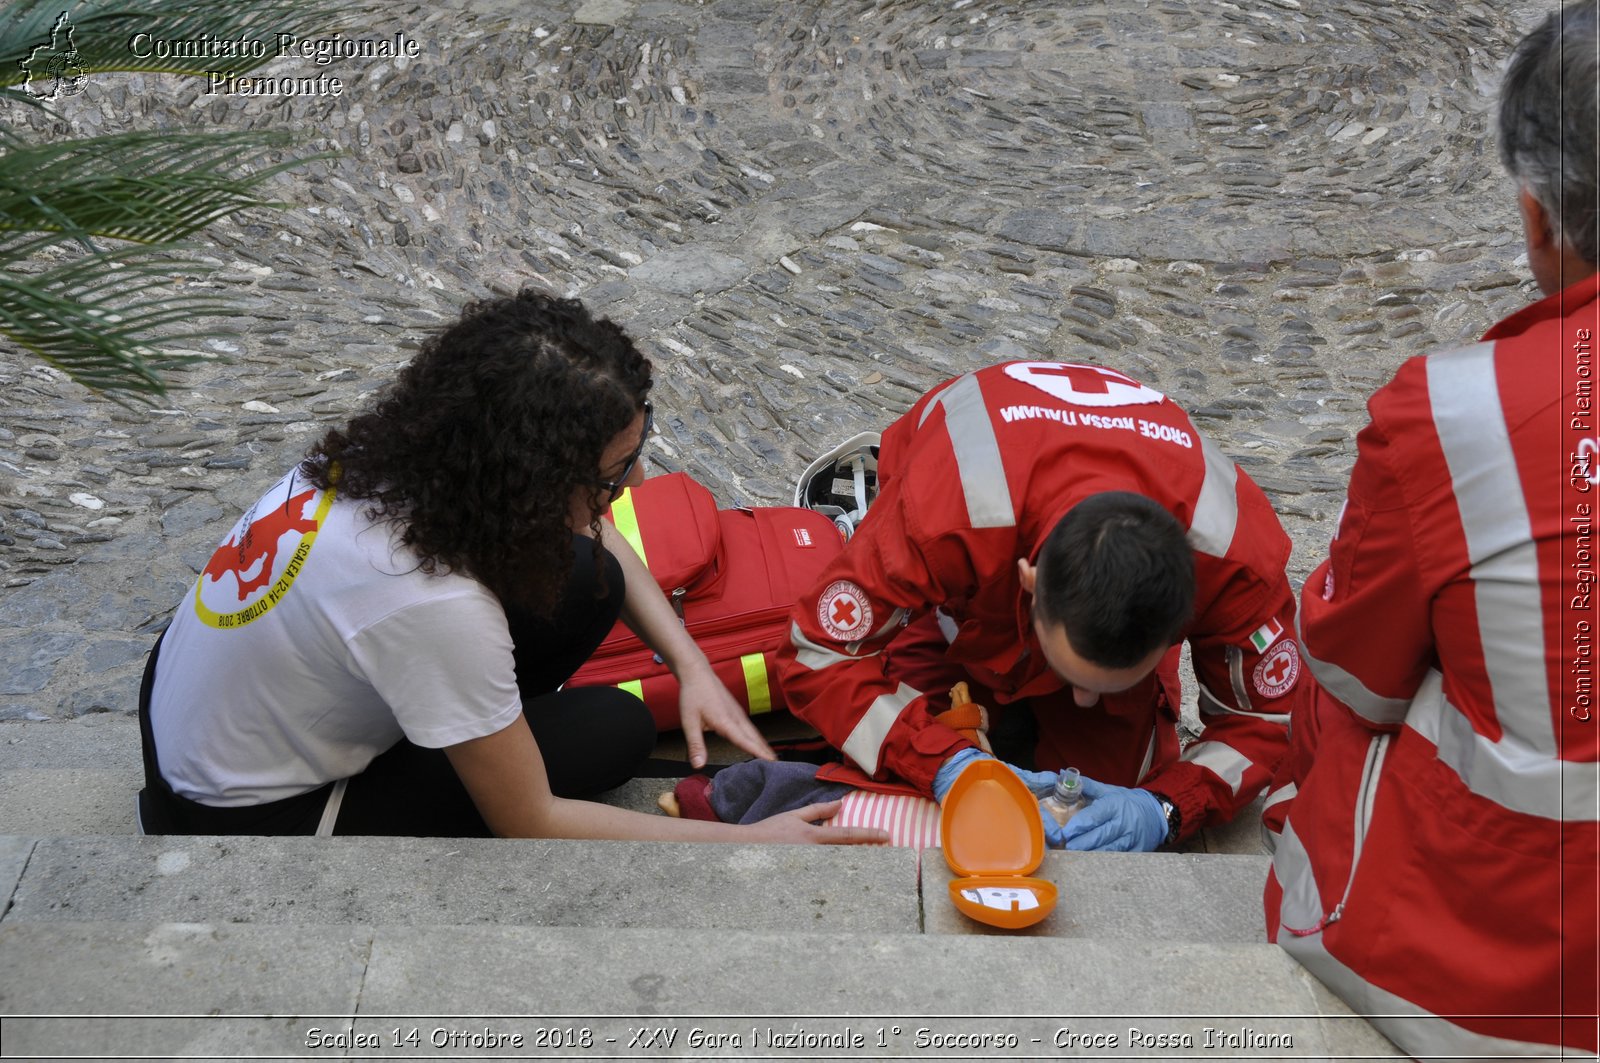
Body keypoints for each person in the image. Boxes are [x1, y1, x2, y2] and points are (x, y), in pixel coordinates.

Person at [136, 289, 886, 846]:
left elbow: (595, 534)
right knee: (615, 730)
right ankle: (460, 730)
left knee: (591, 573)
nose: (629, 488)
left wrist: (690, 664)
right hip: (250, 816)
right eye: (614, 473)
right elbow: (530, 820)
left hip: (183, 709)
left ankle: (463, 716)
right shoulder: (428, 601)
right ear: (529, 478)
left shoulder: (395, 460)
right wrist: (756, 841)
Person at [1262, 5, 1600, 1056]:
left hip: (1504, 965)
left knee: (1357, 639)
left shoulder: (1455, 417)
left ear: (1536, 215)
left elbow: (1351, 675)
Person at [777, 358, 1302, 851]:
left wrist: (1163, 807)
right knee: (910, 790)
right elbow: (817, 656)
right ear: (1027, 582)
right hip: (964, 586)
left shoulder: (1236, 562)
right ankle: (863, 532)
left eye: (1102, 684)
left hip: (1016, 549)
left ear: (1184, 621)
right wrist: (943, 765)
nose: (1082, 703)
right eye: (1070, 673)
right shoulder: (945, 513)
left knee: (1101, 814)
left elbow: (1272, 722)